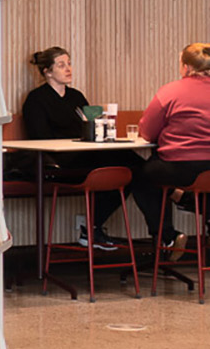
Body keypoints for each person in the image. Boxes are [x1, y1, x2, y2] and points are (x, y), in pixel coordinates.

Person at [20, 47, 143, 250]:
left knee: (131, 167)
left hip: (85, 154)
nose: (68, 69)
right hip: (60, 161)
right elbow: (40, 138)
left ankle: (93, 227)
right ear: (47, 72)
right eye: (61, 65)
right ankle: (92, 227)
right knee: (124, 166)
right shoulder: (36, 99)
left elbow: (91, 126)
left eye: (69, 64)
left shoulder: (76, 97)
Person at [131, 43, 210, 252]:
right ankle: (187, 201)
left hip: (178, 168)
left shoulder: (171, 91)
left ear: (187, 67)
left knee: (141, 177)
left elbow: (147, 132)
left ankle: (168, 237)